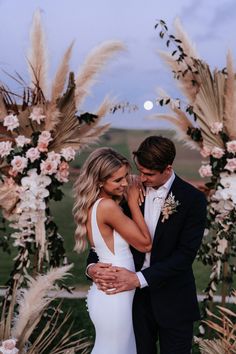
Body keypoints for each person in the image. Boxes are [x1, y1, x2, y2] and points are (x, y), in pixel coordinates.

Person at [87, 136, 207, 354]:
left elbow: (185, 256)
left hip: (174, 300)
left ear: (168, 169)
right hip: (133, 303)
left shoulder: (192, 200)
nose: (141, 177)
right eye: (140, 170)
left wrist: (138, 279)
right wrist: (92, 267)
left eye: (149, 174)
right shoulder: (126, 192)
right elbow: (105, 237)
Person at [73, 147, 152, 354]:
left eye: (126, 176)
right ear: (100, 181)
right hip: (115, 295)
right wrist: (133, 203)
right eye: (118, 180)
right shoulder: (107, 207)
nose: (125, 183)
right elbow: (145, 244)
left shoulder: (95, 204)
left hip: (111, 292)